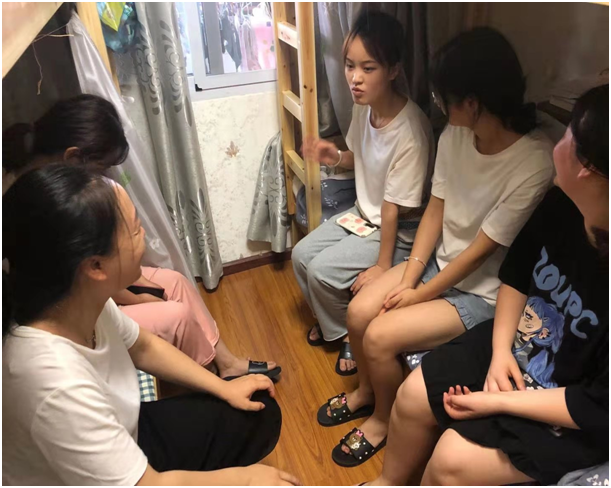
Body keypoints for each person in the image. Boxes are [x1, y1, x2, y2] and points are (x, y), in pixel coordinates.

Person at [319, 27, 555, 468]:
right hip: (439, 266)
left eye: (442, 96)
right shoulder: (456, 135)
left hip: (481, 293)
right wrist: (411, 276)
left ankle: (383, 421)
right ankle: (366, 393)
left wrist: (420, 294)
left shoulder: (534, 162)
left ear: (473, 102)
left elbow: (482, 249)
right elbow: (435, 210)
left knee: (380, 335)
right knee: (359, 312)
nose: (438, 103)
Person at [366, 84, 609, 486]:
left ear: (588, 167)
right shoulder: (561, 204)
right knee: (411, 396)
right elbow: (516, 273)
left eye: (568, 134)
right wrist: (500, 352)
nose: (559, 138)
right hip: (519, 343)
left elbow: (598, 406)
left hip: (572, 399)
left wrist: (498, 401)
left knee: (449, 460)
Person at [2, 164, 298, 486]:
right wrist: (245, 480)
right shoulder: (53, 382)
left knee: (259, 409)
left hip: (126, 430)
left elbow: (143, 345)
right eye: (134, 230)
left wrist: (223, 387)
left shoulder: (76, 298)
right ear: (96, 266)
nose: (143, 233)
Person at [2, 94, 280, 380]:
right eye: (101, 168)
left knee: (176, 282)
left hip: (92, 283)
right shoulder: (41, 205)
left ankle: (226, 362)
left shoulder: (57, 185)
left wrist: (138, 287)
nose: (104, 177)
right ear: (73, 157)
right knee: (177, 316)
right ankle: (209, 376)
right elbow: (84, 278)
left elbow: (94, 268)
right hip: (71, 306)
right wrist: (136, 299)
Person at [292, 9, 435, 376]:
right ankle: (336, 325)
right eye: (349, 66)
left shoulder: (411, 131)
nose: (355, 79)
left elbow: (392, 208)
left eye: (368, 68)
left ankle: (347, 336)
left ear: (394, 70)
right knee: (301, 255)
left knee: (321, 271)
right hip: (365, 214)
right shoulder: (364, 108)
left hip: (398, 232)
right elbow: (359, 158)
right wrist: (336, 157)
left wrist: (382, 267)